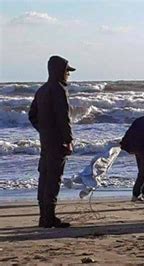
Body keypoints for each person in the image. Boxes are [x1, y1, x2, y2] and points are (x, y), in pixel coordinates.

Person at [28, 55, 76, 228]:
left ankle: (44, 217)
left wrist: (43, 130)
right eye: (66, 72)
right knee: (54, 178)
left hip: (46, 141)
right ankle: (50, 218)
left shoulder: (42, 90)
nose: (68, 75)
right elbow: (64, 118)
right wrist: (68, 140)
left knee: (45, 177)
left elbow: (32, 115)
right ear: (59, 71)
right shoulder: (59, 90)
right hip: (57, 142)